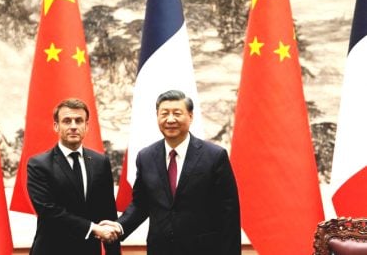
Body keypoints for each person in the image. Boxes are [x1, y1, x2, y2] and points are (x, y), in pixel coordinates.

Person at [101, 89, 241, 255]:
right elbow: (141, 204)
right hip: (160, 249)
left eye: (177, 113)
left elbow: (229, 213)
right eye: (164, 113)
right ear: (157, 116)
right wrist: (119, 226)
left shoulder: (214, 156)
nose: (170, 119)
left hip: (204, 249)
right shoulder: (146, 157)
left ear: (190, 116)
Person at [27, 98, 121, 255]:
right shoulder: (39, 164)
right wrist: (93, 228)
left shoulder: (100, 162)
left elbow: (108, 212)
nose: (73, 126)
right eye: (67, 121)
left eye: (78, 121)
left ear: (86, 126)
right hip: (51, 250)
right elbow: (49, 211)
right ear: (56, 126)